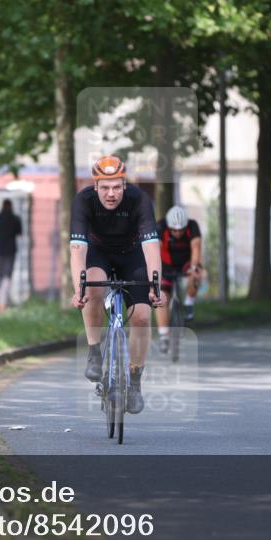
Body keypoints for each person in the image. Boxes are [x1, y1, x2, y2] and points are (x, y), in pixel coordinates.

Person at [70, 155, 164, 415]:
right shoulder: (83, 201)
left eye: (116, 187)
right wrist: (78, 289)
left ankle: (134, 382)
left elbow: (151, 247)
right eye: (105, 188)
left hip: (132, 254)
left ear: (125, 184)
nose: (111, 194)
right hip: (98, 252)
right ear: (95, 186)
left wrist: (155, 287)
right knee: (92, 288)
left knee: (143, 317)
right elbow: (77, 249)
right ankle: (94, 351)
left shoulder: (140, 200)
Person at [155, 205, 204, 353]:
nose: (177, 233)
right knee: (161, 298)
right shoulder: (161, 226)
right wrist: (156, 271)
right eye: (174, 230)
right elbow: (155, 249)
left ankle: (189, 303)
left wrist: (193, 266)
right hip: (166, 264)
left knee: (197, 273)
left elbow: (196, 247)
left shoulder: (192, 225)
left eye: (181, 230)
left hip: (186, 263)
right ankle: (164, 335)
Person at [0, 199, 23, 312]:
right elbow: (19, 233)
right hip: (10, 252)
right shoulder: (15, 219)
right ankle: (2, 303)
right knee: (6, 277)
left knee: (1, 277)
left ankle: (2, 301)